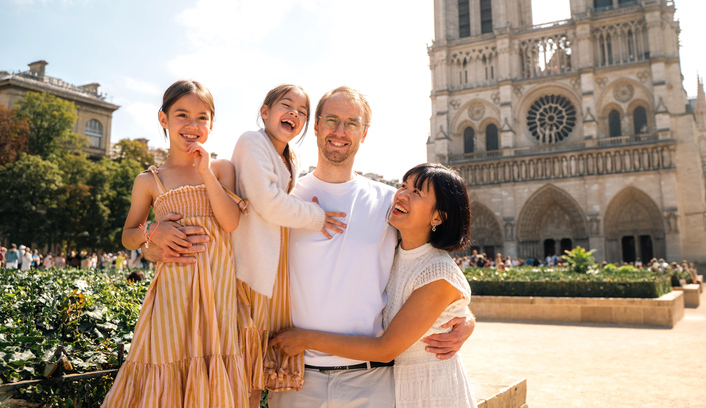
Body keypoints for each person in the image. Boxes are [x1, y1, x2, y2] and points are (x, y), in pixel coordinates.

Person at [265, 86, 474, 408]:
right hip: (296, 377)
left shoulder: (389, 205)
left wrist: (465, 318)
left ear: (364, 133)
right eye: (331, 120)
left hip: (371, 381)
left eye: (352, 123)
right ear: (316, 125)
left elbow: (429, 268)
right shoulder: (283, 199)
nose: (340, 131)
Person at [101, 80, 248, 407]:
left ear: (212, 124)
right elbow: (128, 235)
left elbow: (231, 222)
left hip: (218, 295)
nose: (193, 125)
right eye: (182, 115)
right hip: (173, 294)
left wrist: (205, 172)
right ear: (163, 119)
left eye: (202, 117)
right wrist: (152, 231)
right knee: (168, 368)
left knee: (212, 370)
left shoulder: (221, 169)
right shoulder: (149, 180)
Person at [229, 84, 346, 400]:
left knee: (256, 372)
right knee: (242, 369)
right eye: (287, 105)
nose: (294, 113)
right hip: (249, 269)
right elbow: (268, 202)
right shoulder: (252, 141)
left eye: (302, 112)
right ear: (265, 111)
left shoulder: (291, 155)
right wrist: (317, 216)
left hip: (272, 272)